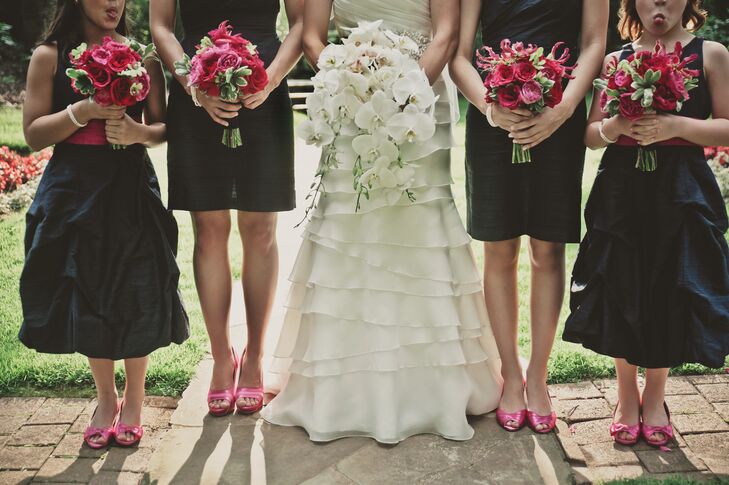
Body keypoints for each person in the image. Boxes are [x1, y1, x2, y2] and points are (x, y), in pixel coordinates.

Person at [261, 0, 503, 444]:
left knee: (420, 231)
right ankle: (340, 388)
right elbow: (313, 35)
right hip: (349, 102)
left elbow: (447, 33)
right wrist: (350, 81)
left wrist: (403, 93)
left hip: (422, 102)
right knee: (349, 231)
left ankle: (433, 388)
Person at [19, 0, 189, 448]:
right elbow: (33, 133)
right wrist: (84, 112)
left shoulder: (143, 56)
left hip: (129, 184)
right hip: (73, 185)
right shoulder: (49, 56)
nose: (114, 3)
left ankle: (135, 399)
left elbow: (163, 127)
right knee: (87, 284)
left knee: (138, 284)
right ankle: (105, 400)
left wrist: (136, 133)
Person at [563, 0, 729, 447]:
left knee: (670, 285)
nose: (660, 3)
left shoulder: (711, 54)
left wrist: (674, 124)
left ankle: (655, 396)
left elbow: (728, 127)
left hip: (682, 188)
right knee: (621, 285)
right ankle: (625, 397)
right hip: (621, 189)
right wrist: (617, 125)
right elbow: (591, 136)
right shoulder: (616, 59)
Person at [449, 0, 608, 432]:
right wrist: (490, 107)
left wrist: (564, 109)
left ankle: (538, 376)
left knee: (548, 248)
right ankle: (512, 377)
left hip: (561, 118)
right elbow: (461, 56)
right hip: (492, 119)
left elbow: (594, 43)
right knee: (498, 249)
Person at [150, 0, 303, 416]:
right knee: (210, 228)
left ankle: (254, 356)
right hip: (196, 95)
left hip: (263, 93)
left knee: (260, 231)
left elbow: (302, 22)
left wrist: (270, 81)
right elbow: (161, 27)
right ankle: (222, 357)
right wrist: (193, 87)